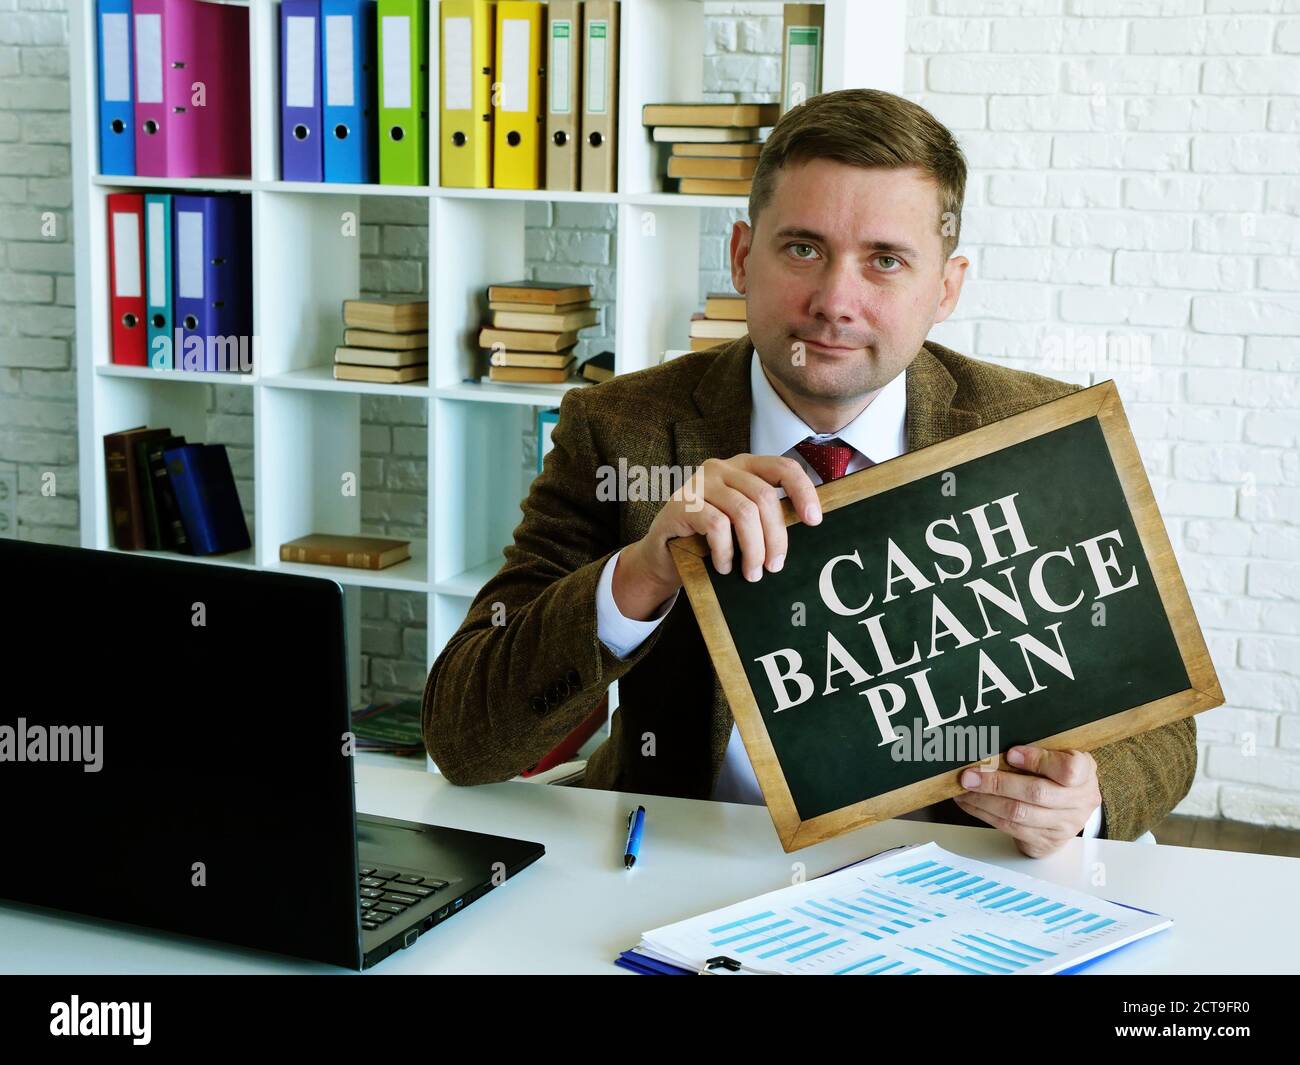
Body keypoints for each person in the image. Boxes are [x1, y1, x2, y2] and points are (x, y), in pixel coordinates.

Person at [422, 89, 1196, 858]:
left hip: (949, 871)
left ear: (947, 288)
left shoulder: (1038, 435)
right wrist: (641, 575)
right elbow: (464, 736)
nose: (835, 302)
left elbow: (1166, 728)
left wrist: (1082, 800)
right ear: (740, 257)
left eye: (885, 261)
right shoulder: (619, 432)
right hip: (678, 860)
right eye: (802, 249)